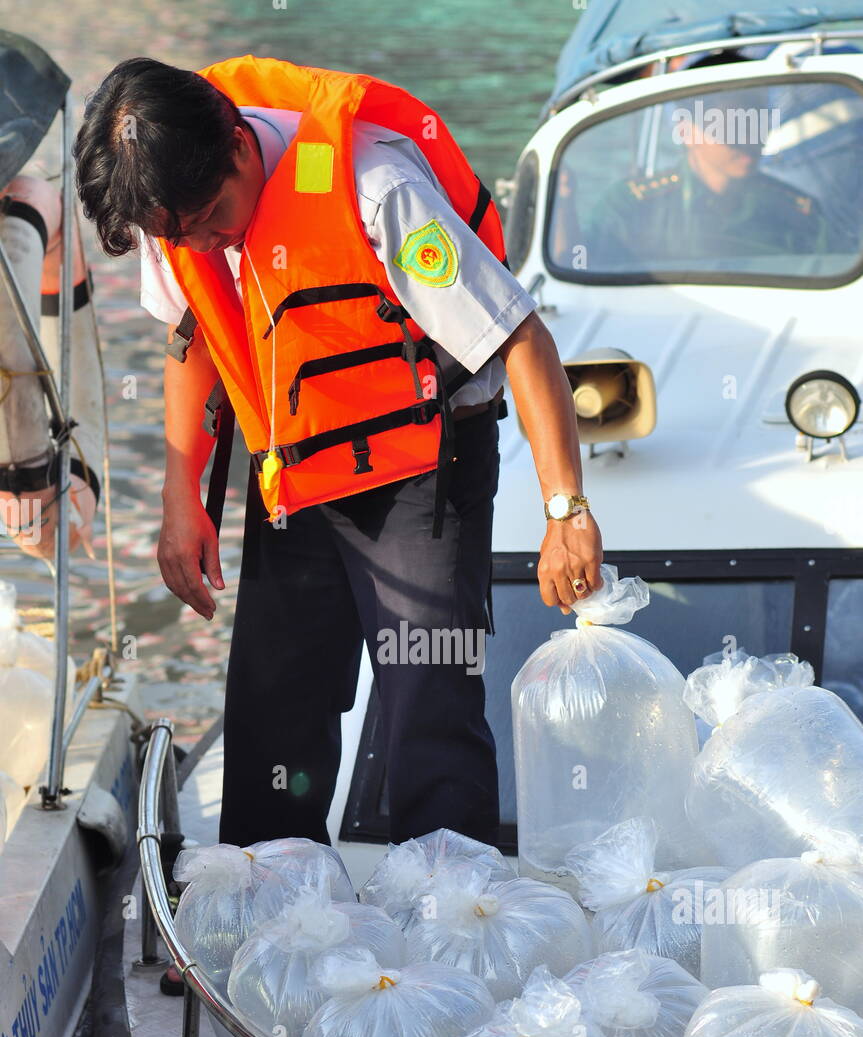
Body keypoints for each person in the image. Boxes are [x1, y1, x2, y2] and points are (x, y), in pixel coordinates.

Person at [74, 54, 602, 868]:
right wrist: (182, 496)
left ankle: (455, 918)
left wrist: (564, 512)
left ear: (242, 150)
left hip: (424, 467)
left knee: (427, 700)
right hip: (298, 466)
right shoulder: (171, 203)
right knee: (273, 711)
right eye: (188, 236)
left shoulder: (376, 187)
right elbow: (197, 333)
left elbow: (521, 337)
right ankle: (270, 908)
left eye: (218, 217)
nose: (210, 241)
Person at [587, 93, 830, 268]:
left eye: (757, 125)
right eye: (729, 127)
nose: (747, 139)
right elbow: (579, 272)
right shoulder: (628, 206)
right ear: (686, 132)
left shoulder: (798, 213)